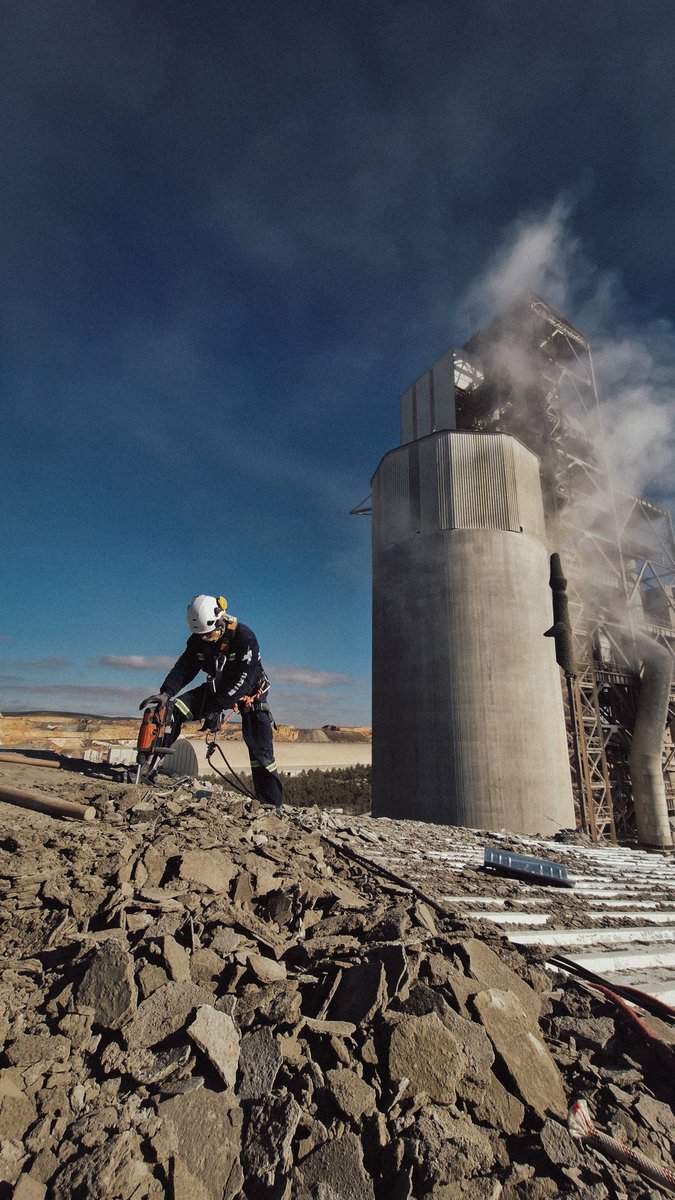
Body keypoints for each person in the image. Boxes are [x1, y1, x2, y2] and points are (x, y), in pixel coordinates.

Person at [140, 594, 283, 810]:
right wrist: (166, 693)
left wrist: (218, 708)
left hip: (251, 694)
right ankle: (147, 768)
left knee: (261, 752)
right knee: (171, 712)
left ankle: (272, 805)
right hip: (217, 690)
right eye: (201, 635)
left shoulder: (245, 638)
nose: (206, 639)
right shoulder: (198, 640)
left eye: (209, 634)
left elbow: (243, 680)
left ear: (221, 620)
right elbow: (184, 667)